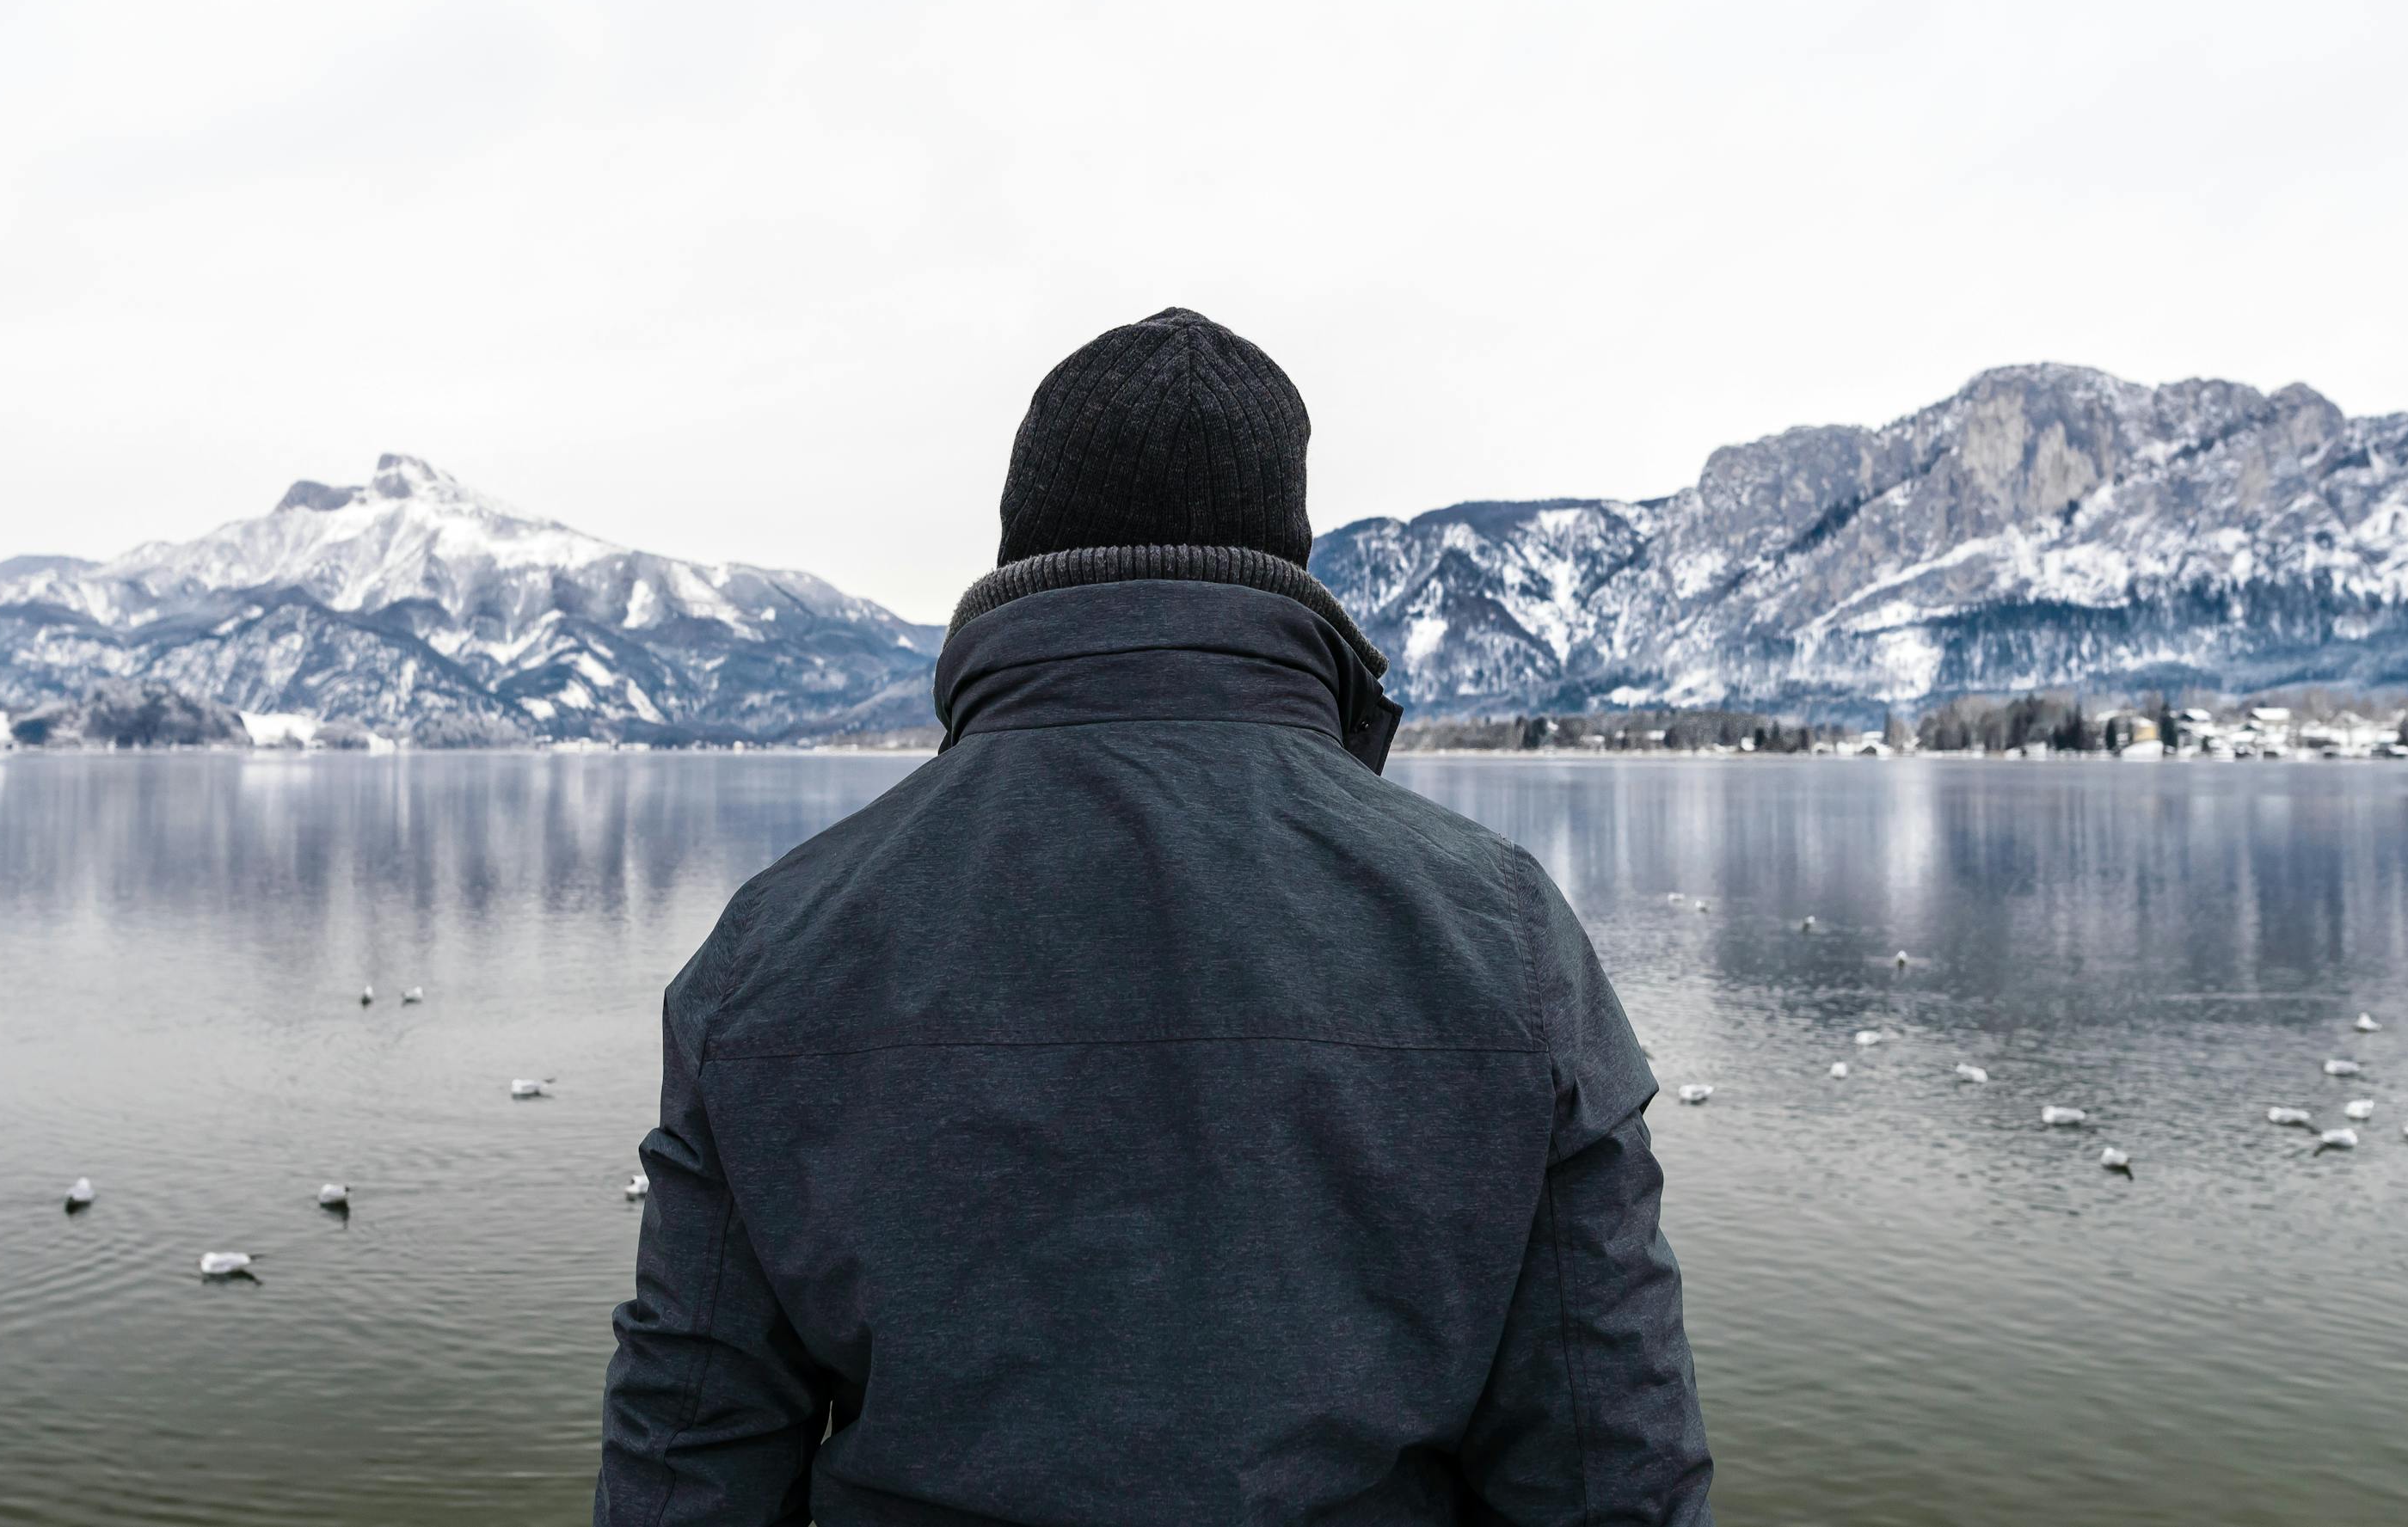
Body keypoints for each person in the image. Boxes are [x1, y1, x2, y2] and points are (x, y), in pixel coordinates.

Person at [597, 308, 1712, 1524]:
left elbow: (685, 1476)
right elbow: (1613, 1476)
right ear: (1291, 565)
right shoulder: (1503, 938)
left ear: (1019, 550)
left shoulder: (777, 949)